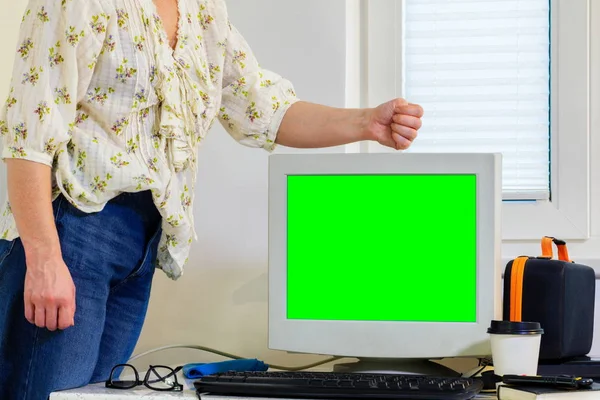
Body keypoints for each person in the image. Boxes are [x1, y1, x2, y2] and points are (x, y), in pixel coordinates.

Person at [0, 0, 424, 398]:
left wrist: (367, 122)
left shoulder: (203, 12)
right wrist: (44, 260)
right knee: (49, 394)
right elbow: (27, 137)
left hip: (144, 243)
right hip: (71, 230)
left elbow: (264, 108)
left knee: (93, 397)